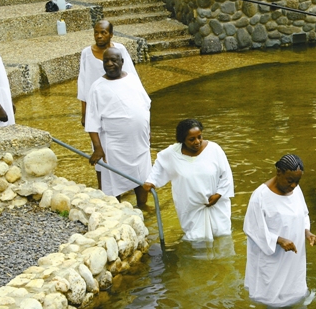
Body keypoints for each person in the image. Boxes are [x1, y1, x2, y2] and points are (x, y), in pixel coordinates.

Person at [243, 154, 316, 307]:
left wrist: (307, 232)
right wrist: (279, 240)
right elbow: (253, 229)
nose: (293, 186)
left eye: (297, 182)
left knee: (294, 297)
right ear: (279, 173)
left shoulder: (296, 190)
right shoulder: (260, 197)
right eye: (290, 181)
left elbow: (303, 214)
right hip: (272, 260)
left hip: (293, 259)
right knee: (272, 301)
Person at [143, 119, 234, 242]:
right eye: (192, 139)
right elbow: (160, 164)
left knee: (222, 237)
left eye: (199, 137)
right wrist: (151, 181)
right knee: (195, 239)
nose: (197, 142)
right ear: (182, 140)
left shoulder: (214, 149)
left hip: (216, 204)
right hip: (191, 207)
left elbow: (226, 175)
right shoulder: (173, 153)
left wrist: (219, 194)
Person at [85, 47, 151, 207]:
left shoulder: (133, 79)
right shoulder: (97, 87)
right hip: (114, 147)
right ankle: (117, 215)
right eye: (106, 60)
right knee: (114, 186)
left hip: (139, 145)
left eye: (114, 60)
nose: (109, 64)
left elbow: (146, 105)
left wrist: (149, 133)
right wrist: (98, 148)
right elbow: (91, 121)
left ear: (122, 62)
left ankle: (143, 210)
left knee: (143, 180)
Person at [78, 20, 138, 189]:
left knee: (122, 147)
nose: (99, 36)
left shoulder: (119, 51)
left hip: (119, 107)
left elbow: (131, 78)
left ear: (111, 34)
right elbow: (83, 83)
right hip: (96, 108)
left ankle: (126, 183)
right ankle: (103, 187)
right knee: (99, 147)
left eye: (103, 33)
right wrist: (84, 112)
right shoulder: (86, 54)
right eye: (96, 32)